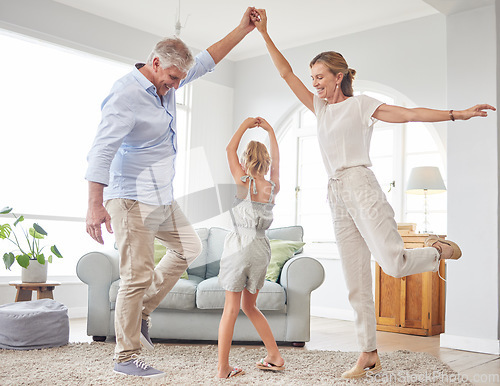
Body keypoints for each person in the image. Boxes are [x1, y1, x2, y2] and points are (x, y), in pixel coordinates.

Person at [251, 9, 496, 379]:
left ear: (339, 77)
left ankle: (438, 251)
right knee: (356, 283)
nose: (314, 83)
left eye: (320, 77)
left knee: (393, 264)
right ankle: (368, 353)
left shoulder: (361, 104)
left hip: (361, 187)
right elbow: (285, 72)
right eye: (312, 78)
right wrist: (265, 33)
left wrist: (456, 114)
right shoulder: (319, 108)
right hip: (335, 194)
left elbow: (409, 113)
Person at [85, 8, 258, 379]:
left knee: (189, 247)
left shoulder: (171, 76)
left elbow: (209, 59)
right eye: (172, 78)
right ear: (155, 62)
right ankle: (126, 354)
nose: (176, 86)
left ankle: (141, 313)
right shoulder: (125, 95)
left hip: (161, 196)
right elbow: (100, 150)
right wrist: (94, 205)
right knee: (136, 274)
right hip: (130, 196)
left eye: (180, 79)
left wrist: (242, 29)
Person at [217, 117, 284, 379]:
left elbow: (228, 150)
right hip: (260, 248)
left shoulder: (242, 181)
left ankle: (223, 368)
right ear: (265, 161)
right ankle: (274, 356)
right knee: (250, 306)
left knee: (231, 309)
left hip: (239, 246)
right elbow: (278, 161)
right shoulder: (272, 187)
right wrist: (270, 131)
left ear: (246, 159)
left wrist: (245, 125)